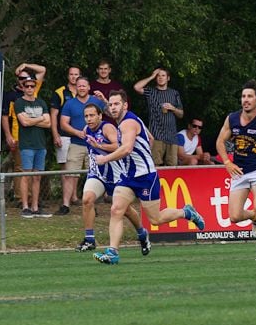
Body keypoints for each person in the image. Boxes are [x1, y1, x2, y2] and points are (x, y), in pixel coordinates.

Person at [93, 90, 205, 264]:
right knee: (116, 209)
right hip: (129, 177)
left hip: (146, 177)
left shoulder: (127, 123)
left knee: (155, 219)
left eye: (116, 104)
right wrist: (104, 101)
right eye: (111, 105)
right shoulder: (124, 119)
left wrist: (104, 159)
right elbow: (151, 138)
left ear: (125, 105)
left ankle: (186, 212)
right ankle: (113, 252)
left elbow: (127, 148)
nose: (112, 108)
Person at [76, 102, 151, 255]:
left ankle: (142, 233)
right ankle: (90, 239)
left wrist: (100, 145)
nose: (89, 119)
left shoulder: (107, 128)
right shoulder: (86, 130)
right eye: (86, 116)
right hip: (98, 173)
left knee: (126, 210)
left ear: (100, 116)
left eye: (92, 115)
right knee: (87, 199)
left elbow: (119, 146)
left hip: (117, 175)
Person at [214, 80, 256, 261]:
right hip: (239, 171)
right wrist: (227, 162)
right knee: (234, 217)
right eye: (243, 96)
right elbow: (219, 141)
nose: (246, 100)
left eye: (250, 96)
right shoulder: (232, 118)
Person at [1, 63, 47, 207]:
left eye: (27, 80)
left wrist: (25, 65)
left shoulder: (33, 90)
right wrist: (8, 135)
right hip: (17, 135)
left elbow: (42, 70)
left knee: (35, 171)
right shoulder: (11, 95)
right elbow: (4, 117)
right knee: (21, 168)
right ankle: (21, 198)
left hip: (36, 137)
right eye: (21, 79)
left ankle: (34, 201)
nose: (25, 83)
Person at [58, 76, 104, 214]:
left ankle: (92, 204)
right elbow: (63, 123)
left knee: (94, 175)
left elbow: (109, 114)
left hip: (94, 145)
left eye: (84, 85)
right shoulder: (70, 104)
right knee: (70, 174)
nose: (81, 88)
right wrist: (77, 132)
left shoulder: (96, 102)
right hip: (76, 144)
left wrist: (104, 100)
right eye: (79, 86)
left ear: (89, 87)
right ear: (75, 88)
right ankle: (66, 205)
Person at [14, 73, 51, 217]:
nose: (29, 88)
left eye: (32, 86)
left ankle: (35, 206)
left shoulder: (41, 102)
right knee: (26, 175)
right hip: (27, 145)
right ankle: (25, 206)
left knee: (37, 176)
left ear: (35, 87)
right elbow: (24, 122)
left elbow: (48, 123)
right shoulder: (19, 103)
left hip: (40, 144)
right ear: (23, 88)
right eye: (26, 86)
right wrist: (40, 118)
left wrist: (33, 119)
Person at [134, 66, 184, 166]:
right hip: (156, 136)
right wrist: (151, 76)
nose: (160, 78)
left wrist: (173, 108)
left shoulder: (174, 93)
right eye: (158, 76)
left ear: (168, 78)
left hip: (172, 137)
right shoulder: (151, 92)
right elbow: (136, 87)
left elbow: (181, 114)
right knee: (155, 165)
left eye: (163, 75)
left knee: (173, 167)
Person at [50, 66, 80, 208]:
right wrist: (55, 134)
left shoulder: (83, 92)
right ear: (68, 76)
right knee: (65, 167)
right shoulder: (60, 92)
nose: (74, 77)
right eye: (71, 74)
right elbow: (54, 115)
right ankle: (66, 199)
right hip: (64, 135)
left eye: (76, 75)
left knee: (77, 168)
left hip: (79, 137)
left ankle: (74, 196)